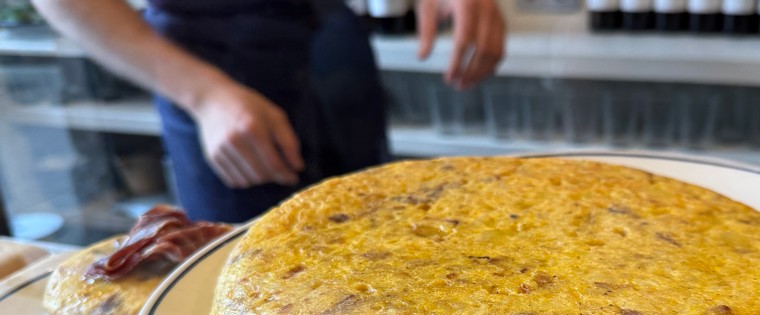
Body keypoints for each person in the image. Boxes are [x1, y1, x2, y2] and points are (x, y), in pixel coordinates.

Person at [31, 0, 506, 223]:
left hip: (333, 44)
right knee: (245, 281)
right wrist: (204, 95)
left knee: (381, 247)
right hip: (208, 67)